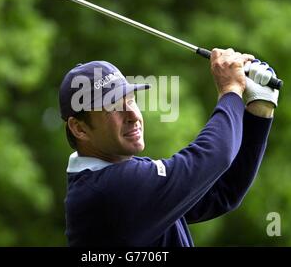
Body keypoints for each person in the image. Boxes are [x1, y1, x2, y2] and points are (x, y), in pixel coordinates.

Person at [58, 48, 279, 247]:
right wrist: (230, 91)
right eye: (114, 107)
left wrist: (260, 110)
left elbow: (222, 191)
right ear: (79, 128)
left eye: (131, 100)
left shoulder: (117, 175)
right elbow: (213, 157)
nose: (134, 115)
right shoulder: (107, 190)